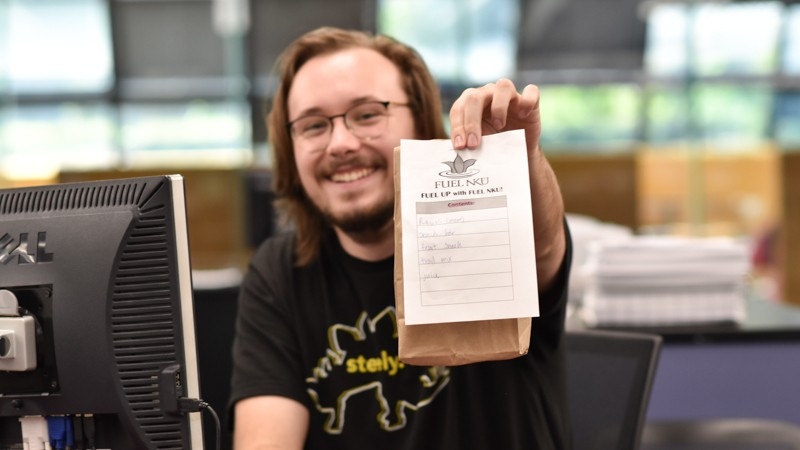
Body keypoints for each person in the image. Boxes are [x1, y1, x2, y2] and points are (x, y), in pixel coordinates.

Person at [229, 26, 571, 449]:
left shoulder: (487, 234)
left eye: (368, 114)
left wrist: (520, 160)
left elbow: (543, 246)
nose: (340, 143)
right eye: (313, 126)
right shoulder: (278, 272)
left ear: (422, 122)